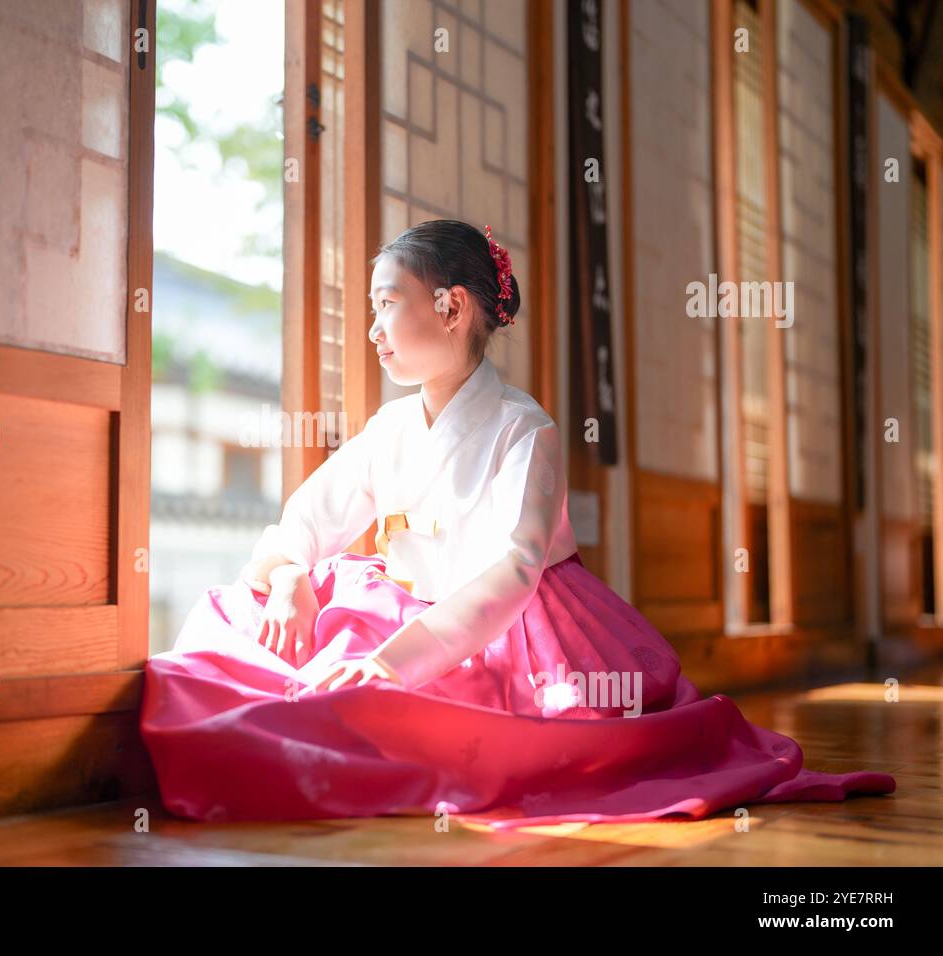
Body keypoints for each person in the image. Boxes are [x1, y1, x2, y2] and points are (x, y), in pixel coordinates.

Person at [139, 218, 896, 827]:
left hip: (514, 629)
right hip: (409, 609)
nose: (371, 327)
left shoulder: (523, 429)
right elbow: (310, 515)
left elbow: (511, 571)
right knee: (236, 633)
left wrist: (393, 663)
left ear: (453, 306)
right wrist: (290, 579)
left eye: (384, 303)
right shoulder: (389, 429)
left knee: (398, 720)